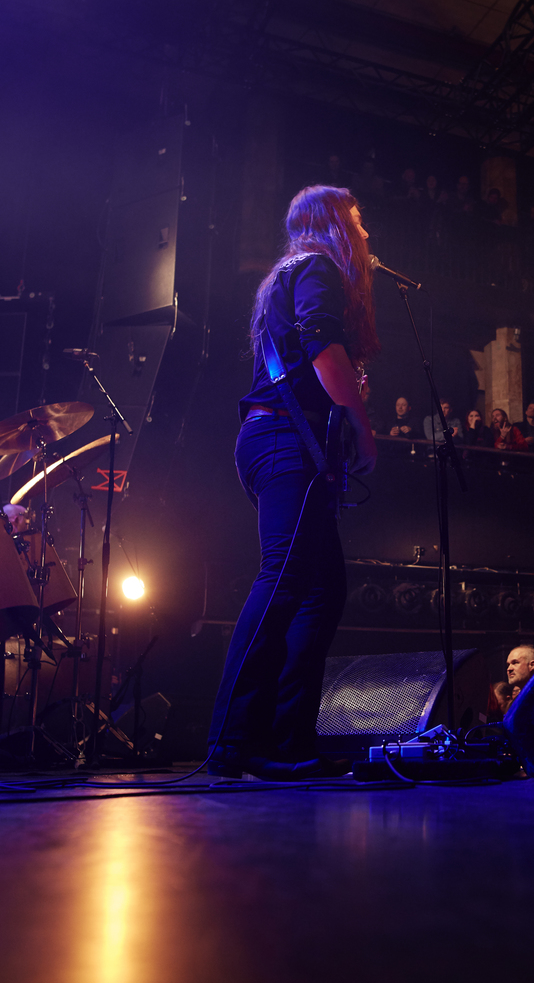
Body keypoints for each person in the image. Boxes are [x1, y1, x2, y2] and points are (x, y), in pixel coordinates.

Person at [208, 185, 380, 781]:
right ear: (332, 222)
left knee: (320, 590)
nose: (363, 230)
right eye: (356, 219)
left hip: (281, 439)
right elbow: (321, 344)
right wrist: (362, 422)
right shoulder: (315, 267)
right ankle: (230, 742)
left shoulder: (295, 270)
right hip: (283, 439)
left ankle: (288, 743)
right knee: (283, 578)